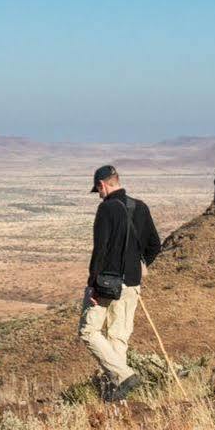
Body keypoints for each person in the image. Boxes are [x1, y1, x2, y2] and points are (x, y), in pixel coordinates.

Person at [79, 164, 162, 402]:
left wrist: (93, 284)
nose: (100, 194)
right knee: (118, 337)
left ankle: (125, 375)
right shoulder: (141, 207)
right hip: (132, 285)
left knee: (88, 331)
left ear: (102, 184)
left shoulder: (106, 209)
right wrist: (139, 267)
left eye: (98, 190)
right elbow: (154, 245)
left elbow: (101, 250)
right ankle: (116, 396)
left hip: (106, 284)